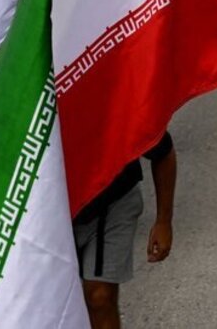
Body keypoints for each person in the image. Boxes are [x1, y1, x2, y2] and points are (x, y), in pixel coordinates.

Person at [74, 131, 177, 329]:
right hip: (53, 215)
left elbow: (163, 151)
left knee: (99, 296)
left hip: (112, 204)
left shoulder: (115, 104)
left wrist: (164, 221)